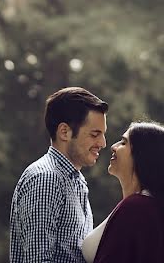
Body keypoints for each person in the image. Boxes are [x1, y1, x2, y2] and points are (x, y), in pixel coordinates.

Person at [10, 87, 109, 263]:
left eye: (102, 135)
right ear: (64, 132)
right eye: (95, 134)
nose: (102, 143)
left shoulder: (75, 181)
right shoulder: (46, 179)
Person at [81, 121, 164, 263]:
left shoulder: (137, 207)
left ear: (143, 155)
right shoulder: (148, 207)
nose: (113, 146)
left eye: (124, 143)